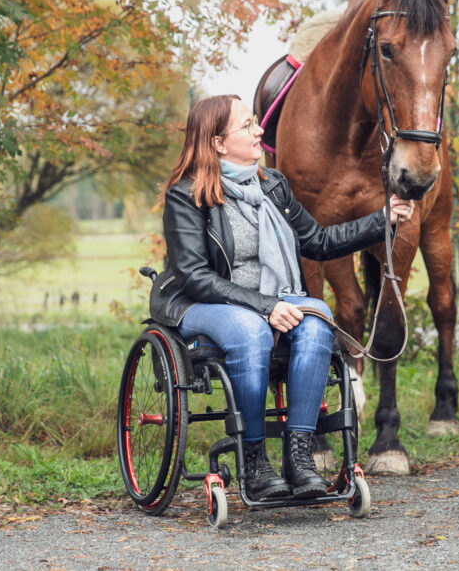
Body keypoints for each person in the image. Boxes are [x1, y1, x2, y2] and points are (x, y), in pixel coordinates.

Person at [149, 94, 414, 501]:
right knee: (250, 331)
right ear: (218, 143)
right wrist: (267, 307)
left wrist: (383, 219)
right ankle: (253, 459)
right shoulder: (187, 196)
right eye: (247, 126)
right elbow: (195, 277)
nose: (259, 131)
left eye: (255, 123)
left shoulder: (272, 186)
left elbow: (319, 241)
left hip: (271, 302)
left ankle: (300, 455)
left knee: (318, 314)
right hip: (201, 305)